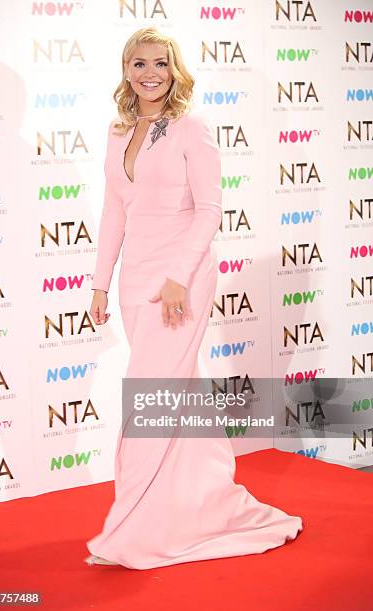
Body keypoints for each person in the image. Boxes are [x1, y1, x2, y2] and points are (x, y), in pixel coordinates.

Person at [85, 26, 303, 570]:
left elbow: (209, 210)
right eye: (139, 63)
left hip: (180, 279)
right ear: (126, 69)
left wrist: (180, 275)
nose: (150, 73)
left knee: (149, 394)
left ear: (175, 69)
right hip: (137, 277)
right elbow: (115, 212)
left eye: (160, 63)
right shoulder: (118, 131)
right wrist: (99, 282)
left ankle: (134, 524)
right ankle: (200, 505)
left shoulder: (192, 128)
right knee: (178, 397)